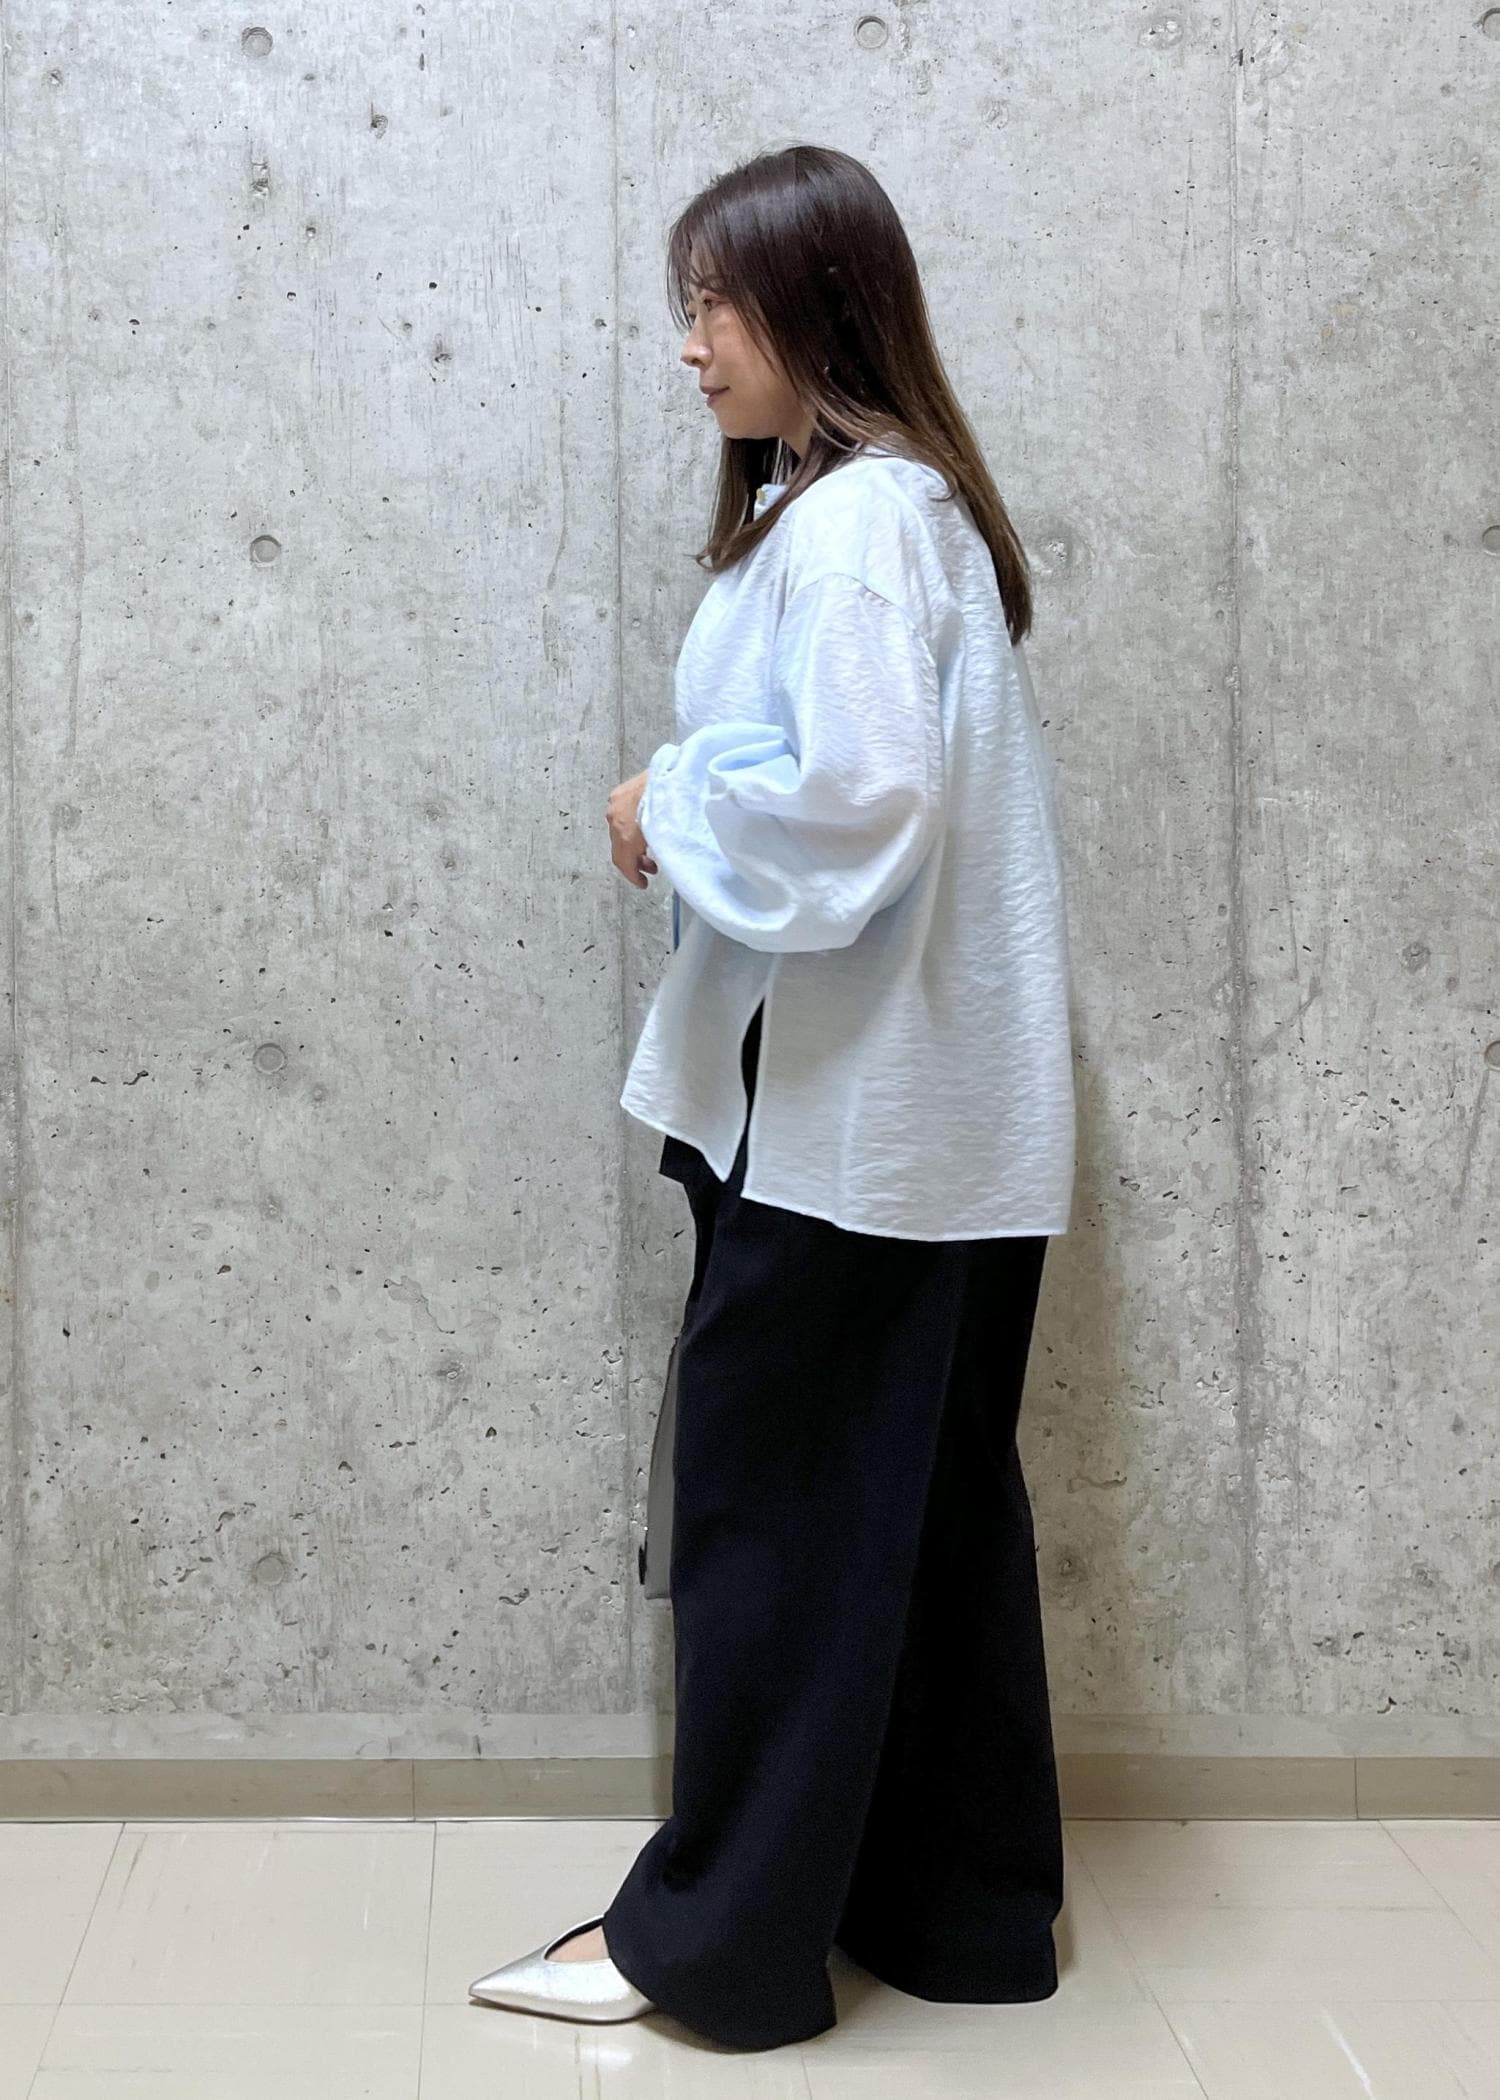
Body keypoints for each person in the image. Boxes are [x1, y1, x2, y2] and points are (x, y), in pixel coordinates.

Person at [469, 142, 1076, 2054]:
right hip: (934, 1124)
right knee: (925, 1519)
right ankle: (962, 1917)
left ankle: (716, 1944)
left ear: (818, 303)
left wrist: (667, 805)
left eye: (714, 304)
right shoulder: (892, 507)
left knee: (773, 1526)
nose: (690, 346)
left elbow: (861, 808)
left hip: (852, 1126)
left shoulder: (863, 522)